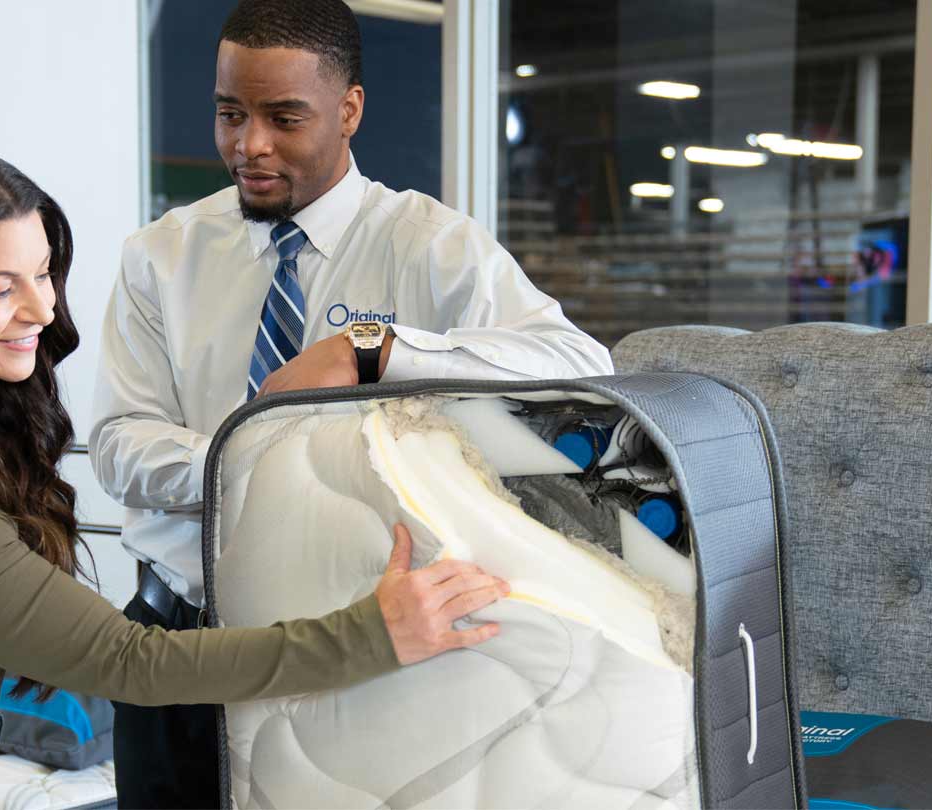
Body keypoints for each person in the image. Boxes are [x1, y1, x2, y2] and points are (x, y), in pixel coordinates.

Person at [0, 139, 508, 810]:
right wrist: (371, 634)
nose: (42, 309)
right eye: (1, 288)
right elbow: (128, 660)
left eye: (43, 272)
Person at [90, 1, 613, 806]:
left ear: (350, 109)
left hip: (359, 656)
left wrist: (374, 350)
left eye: (282, 117)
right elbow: (122, 443)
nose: (248, 145)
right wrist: (265, 462)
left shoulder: (429, 246)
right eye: (231, 114)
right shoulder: (160, 257)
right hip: (179, 653)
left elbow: (580, 363)